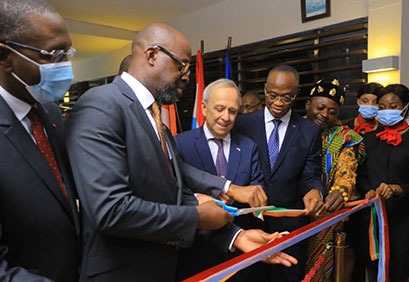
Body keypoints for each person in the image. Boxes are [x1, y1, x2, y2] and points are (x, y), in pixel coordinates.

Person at [66, 23, 297, 282]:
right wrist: (196, 217)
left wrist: (236, 236)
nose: (186, 76)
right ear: (152, 55)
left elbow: (175, 195)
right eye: (181, 65)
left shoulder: (158, 125)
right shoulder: (102, 104)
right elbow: (111, 210)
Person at [0, 0, 80, 281]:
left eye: (67, 52)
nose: (66, 66)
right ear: (4, 57)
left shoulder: (50, 112)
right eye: (52, 55)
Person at [234, 64, 325, 281]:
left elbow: (310, 174)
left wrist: (315, 191)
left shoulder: (309, 131)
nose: (278, 103)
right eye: (273, 95)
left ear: (296, 94)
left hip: (290, 225)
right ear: (265, 90)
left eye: (286, 97)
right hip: (250, 222)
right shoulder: (242, 124)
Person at [175, 78, 267, 280]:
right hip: (196, 254)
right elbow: (174, 192)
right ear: (204, 107)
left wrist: (244, 197)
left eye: (232, 111)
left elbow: (258, 188)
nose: (226, 117)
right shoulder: (180, 144)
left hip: (239, 255)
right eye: (219, 109)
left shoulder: (248, 146)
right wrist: (205, 197)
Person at [304, 79, 365, 282]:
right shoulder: (294, 130)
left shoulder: (344, 137)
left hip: (324, 213)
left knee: (317, 271)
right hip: (291, 209)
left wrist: (340, 190)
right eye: (320, 108)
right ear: (307, 106)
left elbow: (347, 168)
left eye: (332, 111)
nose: (325, 115)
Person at [358, 84, 409, 282]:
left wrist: (397, 189)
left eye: (392, 106)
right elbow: (361, 174)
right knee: (372, 265)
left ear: (405, 107)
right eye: (382, 107)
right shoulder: (368, 140)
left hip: (405, 218)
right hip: (373, 217)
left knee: (398, 270)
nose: (386, 112)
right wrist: (367, 190)